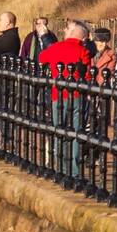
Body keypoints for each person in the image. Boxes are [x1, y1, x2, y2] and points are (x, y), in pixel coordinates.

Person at [39, 20, 94, 178]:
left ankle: (61, 168)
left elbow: (42, 58)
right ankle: (74, 170)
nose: (64, 30)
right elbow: (87, 72)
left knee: (59, 131)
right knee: (76, 132)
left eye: (67, 28)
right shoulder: (82, 51)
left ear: (72, 32)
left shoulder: (57, 47)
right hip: (76, 95)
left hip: (58, 95)